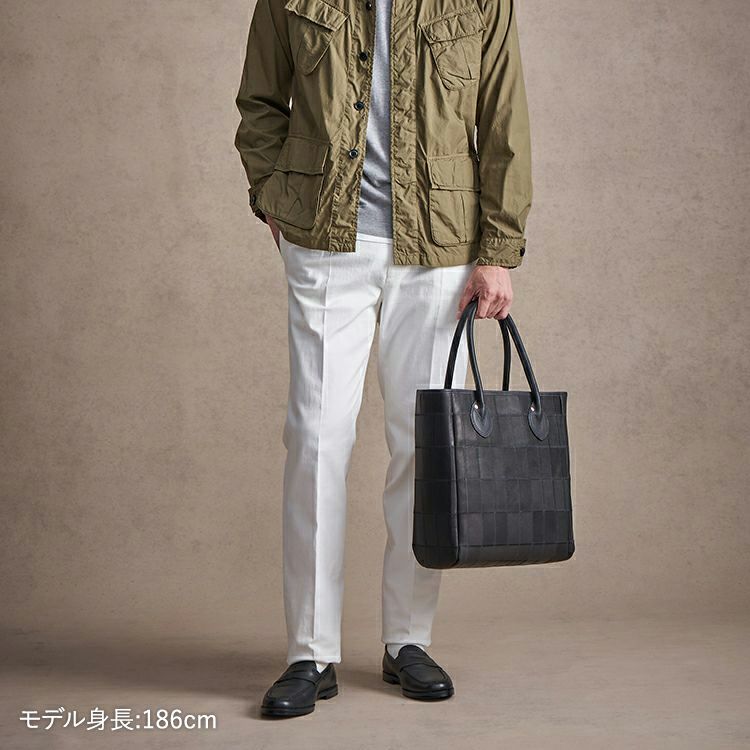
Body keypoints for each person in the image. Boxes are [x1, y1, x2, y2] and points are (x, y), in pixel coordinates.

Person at [234, 0, 532, 718]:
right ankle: (310, 652)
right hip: (325, 240)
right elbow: (259, 102)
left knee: (424, 448)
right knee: (315, 439)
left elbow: (503, 123)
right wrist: (273, 197)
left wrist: (497, 249)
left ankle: (408, 639)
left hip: (441, 249)